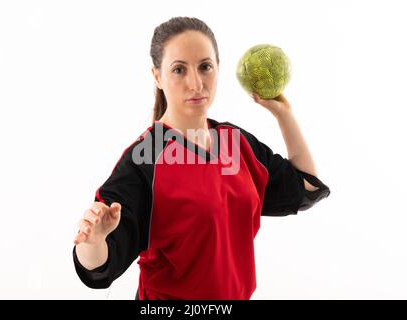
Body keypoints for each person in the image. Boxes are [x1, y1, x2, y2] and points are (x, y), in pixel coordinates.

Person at [72, 16, 330, 300]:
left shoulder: (236, 143)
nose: (196, 83)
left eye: (205, 67)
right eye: (179, 70)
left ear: (218, 68)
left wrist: (284, 114)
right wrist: (93, 240)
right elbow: (98, 266)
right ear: (157, 76)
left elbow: (306, 185)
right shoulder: (146, 158)